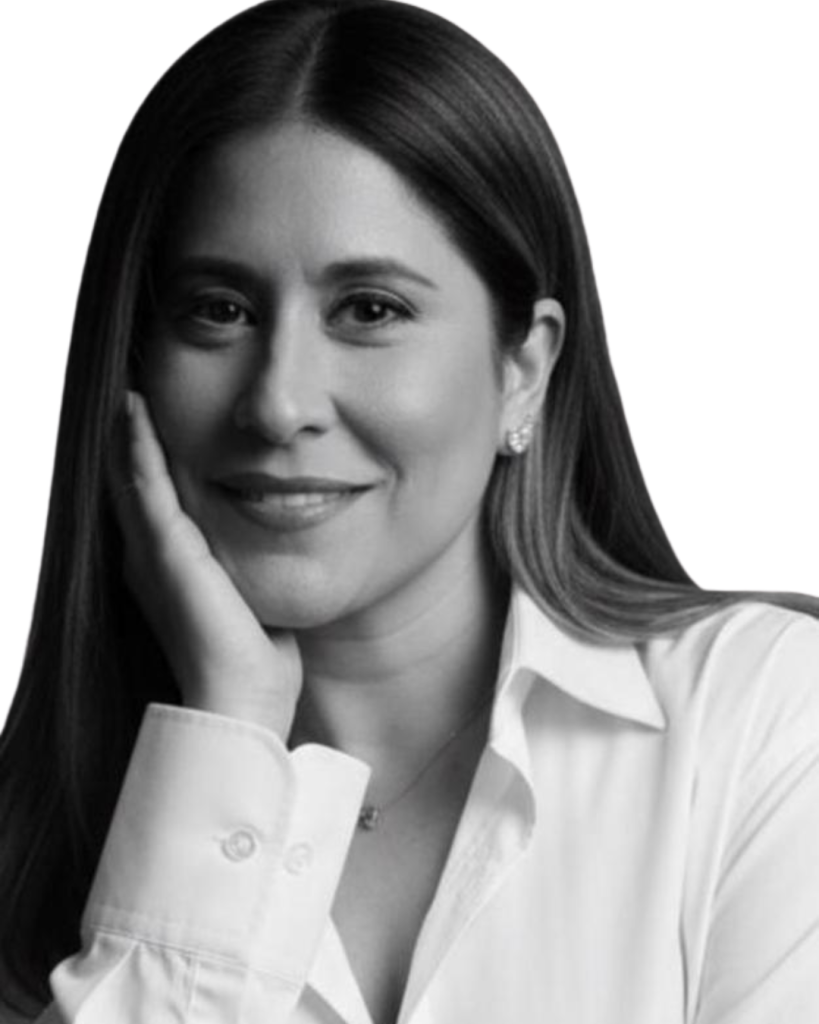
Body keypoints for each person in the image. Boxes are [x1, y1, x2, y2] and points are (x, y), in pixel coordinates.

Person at [1, 0, 818, 1021]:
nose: (278, 403)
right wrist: (226, 735)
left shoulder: (768, 724)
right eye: (219, 310)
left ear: (523, 369)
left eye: (369, 311)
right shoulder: (26, 858)